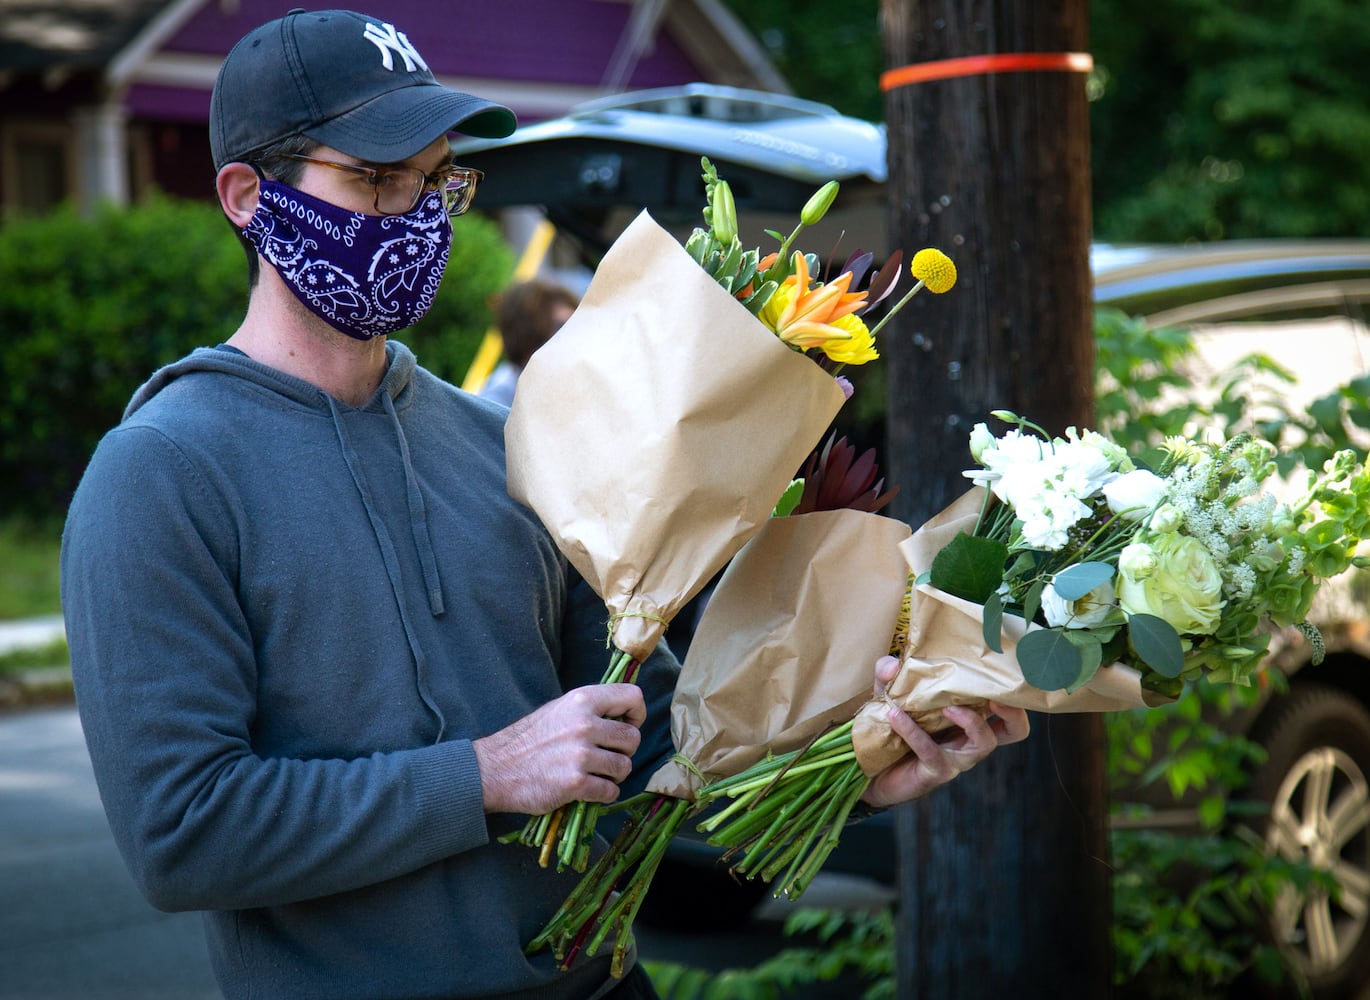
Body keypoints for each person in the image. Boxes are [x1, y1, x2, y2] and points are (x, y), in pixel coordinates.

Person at [58, 9, 1029, 1000]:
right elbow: (183, 834)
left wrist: (853, 769)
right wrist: (482, 776)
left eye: (438, 180)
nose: (418, 213)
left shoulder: (507, 444)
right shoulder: (159, 474)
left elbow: (647, 749)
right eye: (376, 178)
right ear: (243, 195)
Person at [478, 278, 580, 407]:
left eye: (576, 323)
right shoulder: (500, 402)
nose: (575, 335)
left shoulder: (576, 383)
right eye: (560, 326)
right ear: (527, 337)